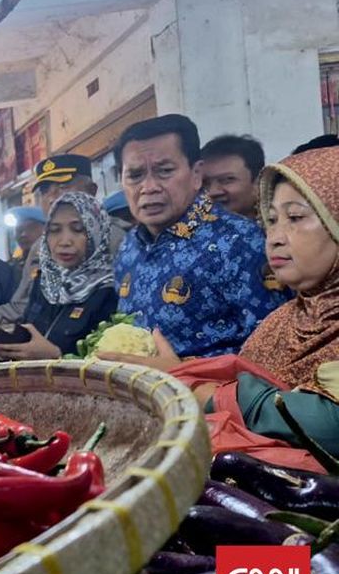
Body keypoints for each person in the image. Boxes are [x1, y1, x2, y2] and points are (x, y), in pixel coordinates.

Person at [158, 146, 339, 470]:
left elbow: (330, 427)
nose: (275, 237)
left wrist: (204, 392)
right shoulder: (281, 322)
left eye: (295, 218)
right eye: (271, 220)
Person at [100, 114, 288, 364]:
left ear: (196, 174)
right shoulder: (128, 247)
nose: (149, 187)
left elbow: (274, 348)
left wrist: (185, 371)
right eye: (135, 175)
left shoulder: (239, 242)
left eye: (164, 171)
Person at [0, 192, 120, 360]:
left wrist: (57, 356)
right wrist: (14, 350)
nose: (64, 241)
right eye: (54, 230)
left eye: (78, 229)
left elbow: (112, 362)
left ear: (97, 232)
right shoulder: (44, 281)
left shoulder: (109, 290)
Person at [201, 134, 264, 220]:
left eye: (226, 180)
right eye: (204, 183)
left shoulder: (278, 226)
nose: (212, 192)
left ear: (258, 183)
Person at [5, 206, 46, 281]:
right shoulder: (9, 268)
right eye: (19, 230)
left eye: (31, 228)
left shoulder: (59, 264)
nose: (23, 234)